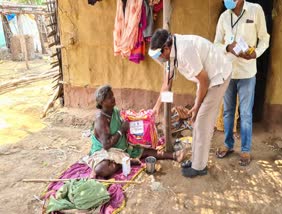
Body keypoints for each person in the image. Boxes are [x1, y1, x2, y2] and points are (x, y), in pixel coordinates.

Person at [149, 29, 235, 177]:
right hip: (206, 79)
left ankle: (199, 167)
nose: (159, 59)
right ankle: (196, 160)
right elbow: (166, 84)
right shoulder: (171, 54)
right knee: (196, 120)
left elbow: (205, 80)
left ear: (167, 48)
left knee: (202, 121)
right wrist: (157, 107)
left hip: (217, 77)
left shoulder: (184, 51)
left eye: (159, 55)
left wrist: (197, 105)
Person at [85, 85, 185, 178]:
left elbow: (123, 122)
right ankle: (124, 163)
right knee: (101, 169)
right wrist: (121, 129)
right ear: (102, 102)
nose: (113, 98)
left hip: (120, 146)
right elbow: (106, 145)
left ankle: (174, 155)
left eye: (113, 95)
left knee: (143, 150)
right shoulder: (101, 120)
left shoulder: (114, 110)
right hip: (105, 150)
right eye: (109, 97)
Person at [214, 0, 270, 166]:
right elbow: (215, 43)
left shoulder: (255, 10)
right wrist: (227, 48)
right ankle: (228, 144)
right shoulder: (224, 17)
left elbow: (264, 38)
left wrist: (256, 53)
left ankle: (245, 150)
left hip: (247, 72)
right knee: (228, 111)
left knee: (245, 114)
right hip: (228, 71)